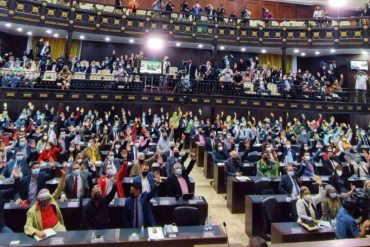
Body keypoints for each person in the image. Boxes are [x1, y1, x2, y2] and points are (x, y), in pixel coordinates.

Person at [24, 166, 67, 238]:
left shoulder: (51, 199)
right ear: (39, 200)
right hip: (45, 231)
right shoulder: (31, 211)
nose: (47, 202)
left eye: (48, 199)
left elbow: (59, 189)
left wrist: (63, 177)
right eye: (44, 200)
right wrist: (36, 232)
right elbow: (27, 227)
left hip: (57, 227)